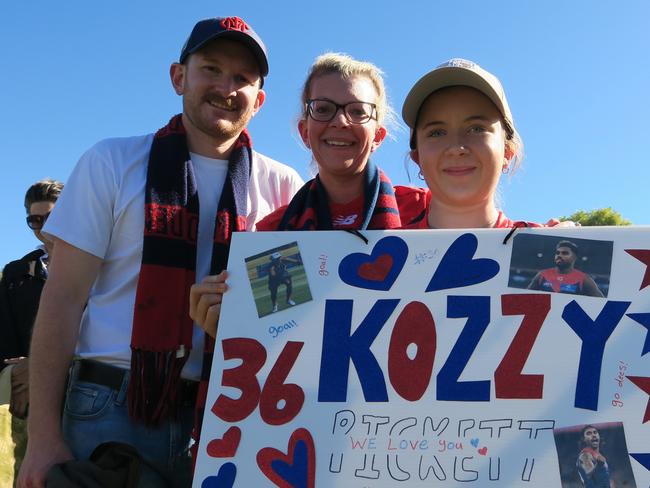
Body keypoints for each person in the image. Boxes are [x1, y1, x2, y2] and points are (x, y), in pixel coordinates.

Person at [18, 16, 302, 488]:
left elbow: (284, 310)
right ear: (178, 77)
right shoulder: (111, 162)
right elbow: (63, 299)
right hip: (110, 404)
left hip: (232, 406)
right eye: (211, 69)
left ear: (260, 98)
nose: (226, 88)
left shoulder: (283, 186)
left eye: (242, 79)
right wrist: (44, 434)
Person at [190, 52, 407, 337]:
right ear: (305, 131)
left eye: (358, 111)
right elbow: (272, 335)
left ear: (377, 135)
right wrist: (227, 325)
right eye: (323, 108)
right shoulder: (272, 233)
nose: (340, 121)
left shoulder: (421, 211)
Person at [398, 58, 548, 230]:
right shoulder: (375, 253)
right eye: (437, 132)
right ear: (418, 159)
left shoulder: (547, 248)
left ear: (507, 151)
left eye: (476, 129)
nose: (456, 148)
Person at [0, 179, 63, 483]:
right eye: (34, 220)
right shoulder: (15, 273)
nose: (42, 226)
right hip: (27, 404)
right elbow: (5, 338)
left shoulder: (100, 265)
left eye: (50, 217)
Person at [528, 240, 604, 296]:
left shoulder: (584, 279)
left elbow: (602, 303)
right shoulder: (542, 275)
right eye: (557, 253)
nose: (559, 255)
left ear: (574, 257)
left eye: (565, 253)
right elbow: (524, 296)